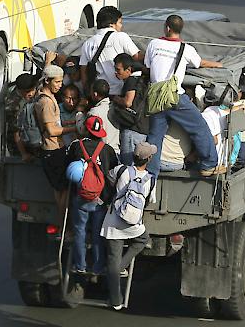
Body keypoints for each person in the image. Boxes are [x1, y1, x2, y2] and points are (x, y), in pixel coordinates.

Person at [144, 15, 226, 177]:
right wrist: (217, 64)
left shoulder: (153, 44)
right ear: (180, 30)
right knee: (199, 127)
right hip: (175, 98)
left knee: (155, 136)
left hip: (156, 97)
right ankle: (208, 164)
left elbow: (148, 65)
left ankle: (150, 173)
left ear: (167, 28)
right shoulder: (186, 49)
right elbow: (199, 63)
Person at [101, 142, 157, 311]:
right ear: (149, 159)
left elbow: (108, 177)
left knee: (112, 259)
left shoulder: (122, 170)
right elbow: (150, 201)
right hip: (133, 223)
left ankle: (116, 301)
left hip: (114, 220)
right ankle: (122, 267)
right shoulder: (150, 179)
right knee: (142, 239)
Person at [66, 115, 118, 275]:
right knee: (97, 234)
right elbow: (114, 172)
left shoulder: (76, 146)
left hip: (80, 197)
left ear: (85, 130)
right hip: (100, 200)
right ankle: (97, 266)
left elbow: (68, 167)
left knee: (79, 231)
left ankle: (80, 265)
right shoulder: (107, 150)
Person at [35, 65, 77, 224]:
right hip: (53, 151)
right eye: (57, 81)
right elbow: (52, 130)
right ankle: (63, 227)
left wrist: (69, 122)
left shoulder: (46, 96)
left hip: (53, 150)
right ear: (47, 81)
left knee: (60, 192)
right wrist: (74, 128)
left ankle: (62, 227)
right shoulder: (46, 101)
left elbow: (54, 122)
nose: (60, 85)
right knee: (63, 193)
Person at [79, 6, 143, 96]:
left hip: (100, 94)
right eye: (120, 22)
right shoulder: (121, 36)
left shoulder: (88, 43)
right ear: (112, 25)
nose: (121, 26)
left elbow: (83, 73)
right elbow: (137, 57)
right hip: (120, 92)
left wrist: (88, 94)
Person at [112, 53, 149, 165]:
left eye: (119, 70)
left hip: (132, 129)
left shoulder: (131, 81)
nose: (116, 73)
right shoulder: (142, 81)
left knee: (128, 166)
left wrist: (115, 98)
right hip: (142, 128)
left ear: (128, 70)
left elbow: (128, 102)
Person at [4, 73, 38, 161]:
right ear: (19, 90)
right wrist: (24, 154)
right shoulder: (13, 106)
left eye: (32, 90)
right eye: (27, 91)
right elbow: (16, 132)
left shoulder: (34, 91)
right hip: (19, 145)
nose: (31, 94)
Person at [87, 79, 120, 154]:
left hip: (103, 153)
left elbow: (82, 130)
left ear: (95, 94)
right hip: (116, 151)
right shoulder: (115, 107)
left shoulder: (95, 112)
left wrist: (79, 114)